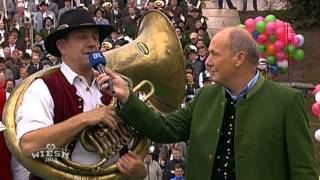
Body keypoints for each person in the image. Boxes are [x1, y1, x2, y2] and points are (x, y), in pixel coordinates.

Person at [98, 26, 318, 179]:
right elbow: (163, 129)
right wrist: (127, 97)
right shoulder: (205, 96)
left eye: (214, 54)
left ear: (239, 58)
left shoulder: (287, 101)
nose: (208, 62)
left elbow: (303, 171)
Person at [16, 8, 146, 179]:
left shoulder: (115, 87)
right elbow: (29, 145)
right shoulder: (42, 88)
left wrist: (140, 170)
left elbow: (133, 143)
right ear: (62, 46)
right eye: (82, 36)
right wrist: (85, 118)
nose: (92, 43)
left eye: (95, 36)